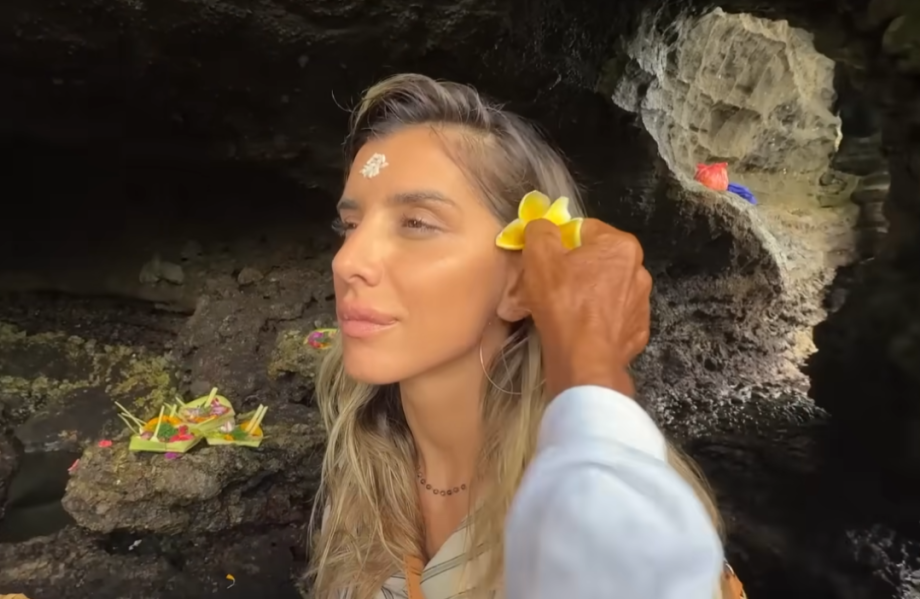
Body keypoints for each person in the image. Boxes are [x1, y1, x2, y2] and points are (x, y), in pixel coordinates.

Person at [307, 73, 745, 599]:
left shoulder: (611, 514)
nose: (347, 261)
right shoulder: (362, 457)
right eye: (350, 225)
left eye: (417, 223)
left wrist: (589, 366)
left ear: (522, 281)